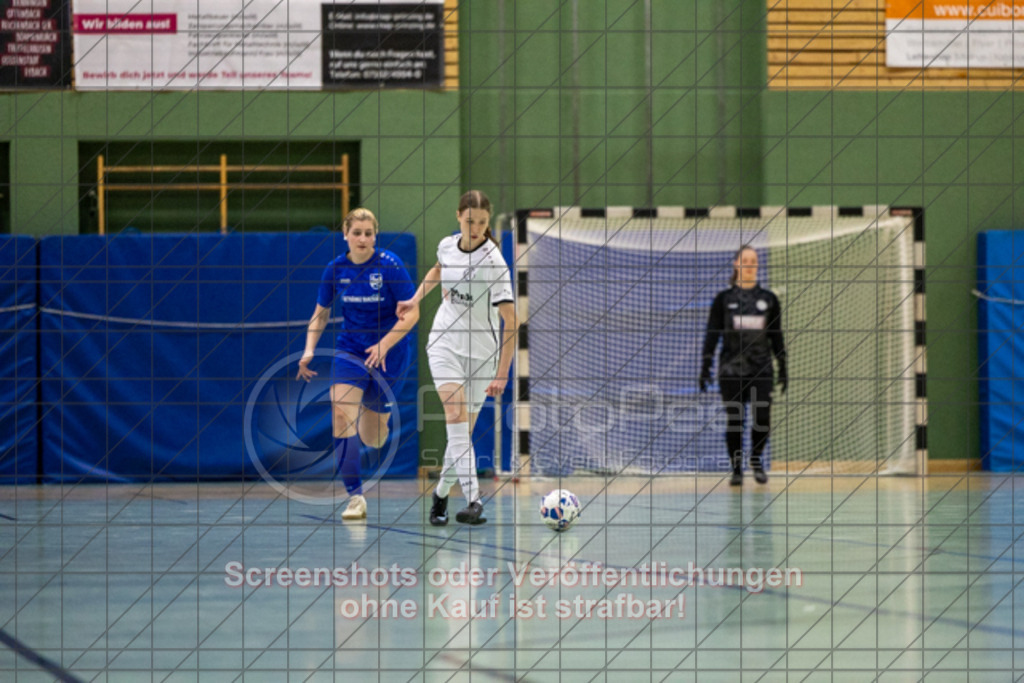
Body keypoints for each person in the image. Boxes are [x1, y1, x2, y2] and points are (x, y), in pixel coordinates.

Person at [397, 190, 516, 526]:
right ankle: (475, 500)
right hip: (444, 342)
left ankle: (440, 495)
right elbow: (437, 269)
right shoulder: (448, 245)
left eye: (481, 222)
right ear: (458, 217)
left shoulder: (493, 262)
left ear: (487, 222)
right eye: (469, 221)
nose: (475, 228)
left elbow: (511, 320)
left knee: (460, 432)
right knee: (454, 413)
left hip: (482, 353)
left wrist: (502, 373)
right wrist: (415, 299)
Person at [297, 208, 418, 519]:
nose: (363, 238)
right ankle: (355, 497)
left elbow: (412, 313)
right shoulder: (335, 269)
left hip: (389, 352)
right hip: (351, 350)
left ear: (375, 236)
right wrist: (309, 349)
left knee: (373, 438)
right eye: (357, 233)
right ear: (345, 235)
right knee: (339, 413)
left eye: (368, 233)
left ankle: (376, 412)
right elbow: (321, 313)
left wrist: (384, 344)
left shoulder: (390, 266)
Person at [699, 245, 787, 486]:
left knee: (762, 418)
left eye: (753, 261)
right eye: (745, 260)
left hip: (761, 369)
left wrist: (783, 365)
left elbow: (776, 335)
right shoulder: (723, 299)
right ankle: (736, 468)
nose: (749, 265)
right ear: (736, 265)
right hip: (731, 370)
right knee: (736, 420)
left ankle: (756, 460)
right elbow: (712, 333)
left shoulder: (769, 299)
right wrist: (705, 365)